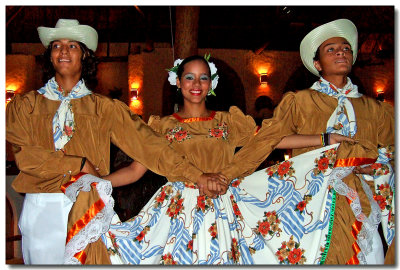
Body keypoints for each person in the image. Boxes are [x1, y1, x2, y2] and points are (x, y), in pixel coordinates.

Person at [84, 55, 353, 265]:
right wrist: (95, 182)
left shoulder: (228, 121)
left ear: (211, 84)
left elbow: (271, 140)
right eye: (189, 77)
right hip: (178, 211)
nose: (196, 84)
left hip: (225, 207)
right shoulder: (160, 126)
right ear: (178, 82)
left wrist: (325, 139)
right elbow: (135, 169)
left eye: (203, 78)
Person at [5, 19, 225, 265]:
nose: (63, 51)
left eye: (72, 46)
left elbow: (151, 146)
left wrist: (196, 175)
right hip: (42, 207)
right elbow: (25, 157)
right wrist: (78, 164)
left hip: (89, 207)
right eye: (56, 45)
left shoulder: (105, 108)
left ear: (86, 55)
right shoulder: (25, 106)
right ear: (50, 55)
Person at [218, 19, 394, 264]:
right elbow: (270, 139)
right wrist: (226, 176)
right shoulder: (301, 100)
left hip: (359, 202)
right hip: (310, 202)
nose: (341, 52)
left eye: (345, 48)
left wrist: (373, 166)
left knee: (369, 256)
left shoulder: (376, 108)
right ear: (317, 64)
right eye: (330, 49)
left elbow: (390, 152)